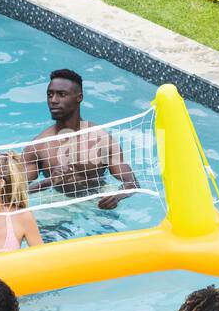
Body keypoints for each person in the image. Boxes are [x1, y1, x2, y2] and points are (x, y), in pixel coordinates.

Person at [23, 69, 139, 209]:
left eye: (61, 94)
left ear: (79, 97)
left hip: (97, 202)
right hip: (58, 203)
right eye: (50, 94)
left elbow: (132, 183)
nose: (53, 100)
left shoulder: (102, 140)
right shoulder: (38, 146)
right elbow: (17, 191)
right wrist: (50, 181)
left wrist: (117, 197)